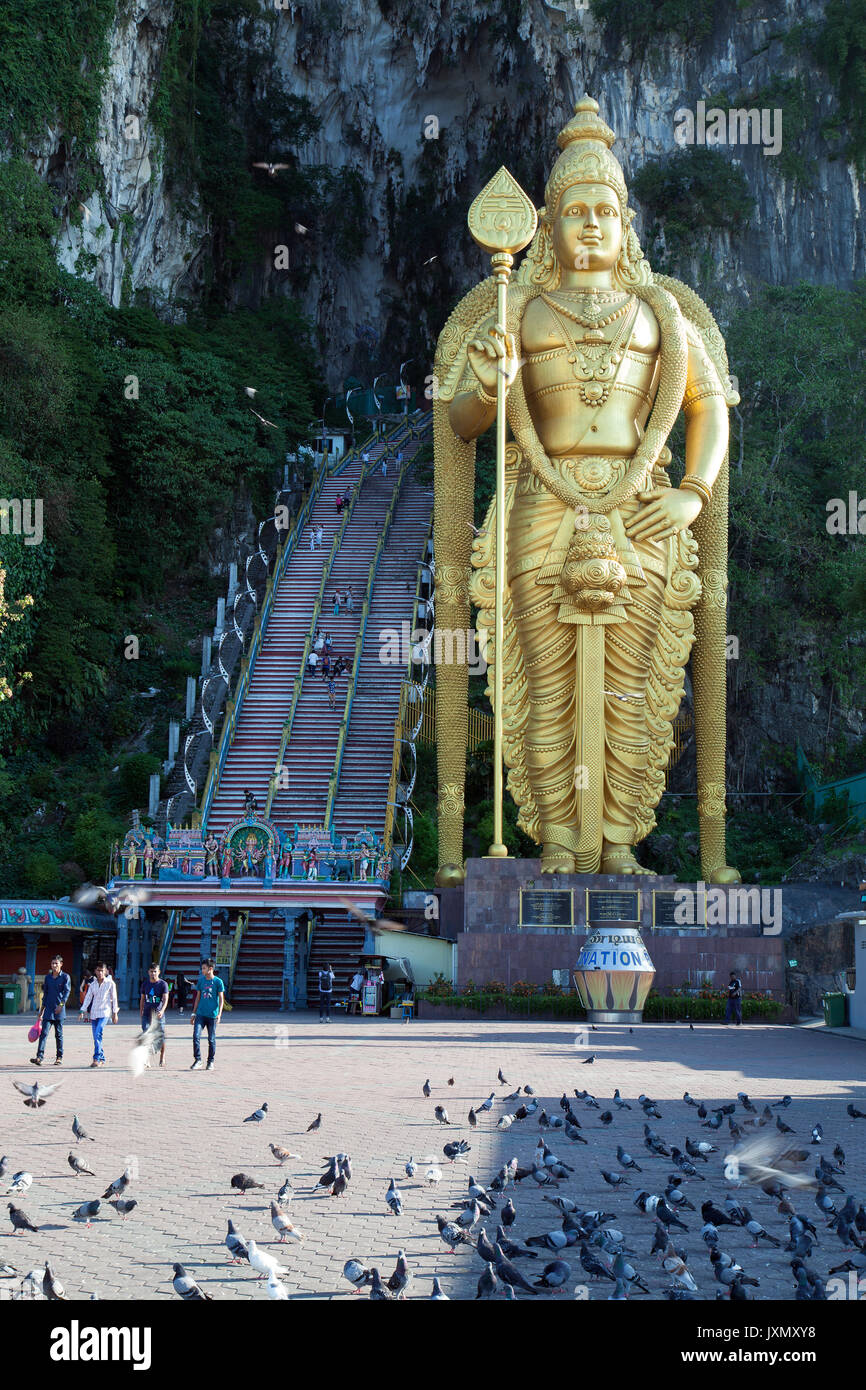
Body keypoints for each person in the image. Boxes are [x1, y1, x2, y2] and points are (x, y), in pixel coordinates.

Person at [31, 954, 70, 1067]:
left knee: (58, 1035)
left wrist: (61, 1005)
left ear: (61, 964)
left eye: (56, 963)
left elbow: (66, 993)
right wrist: (41, 1011)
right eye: (52, 963)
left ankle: (59, 1057)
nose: (54, 965)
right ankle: (39, 1057)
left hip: (59, 1012)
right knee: (43, 1034)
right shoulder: (48, 978)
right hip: (48, 1011)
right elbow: (45, 994)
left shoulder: (65, 977)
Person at [80, 963, 119, 1069]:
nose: (100, 973)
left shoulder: (110, 983)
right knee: (96, 1036)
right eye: (98, 970)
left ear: (106, 971)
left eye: (102, 970)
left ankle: (96, 1058)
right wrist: (82, 1010)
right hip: (94, 1013)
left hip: (105, 1013)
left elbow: (114, 998)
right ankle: (102, 1058)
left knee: (98, 1033)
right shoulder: (92, 985)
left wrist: (115, 1013)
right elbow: (88, 998)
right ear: (95, 971)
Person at [190, 959, 224, 1071]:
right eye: (202, 968)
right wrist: (193, 1013)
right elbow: (198, 997)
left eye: (204, 968)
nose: (202, 970)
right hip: (200, 1014)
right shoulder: (201, 981)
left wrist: (219, 1014)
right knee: (196, 1036)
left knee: (211, 1039)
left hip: (212, 1016)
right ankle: (198, 1060)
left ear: (211, 969)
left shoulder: (218, 982)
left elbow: (221, 999)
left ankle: (210, 1061)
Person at [139, 963, 169, 1068]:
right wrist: (141, 1011)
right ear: (148, 972)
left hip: (158, 1015)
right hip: (147, 1014)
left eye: (155, 971)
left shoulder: (163, 984)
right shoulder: (145, 984)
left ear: (159, 972)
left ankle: (162, 1056)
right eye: (151, 971)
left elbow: (165, 999)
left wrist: (162, 1010)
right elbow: (142, 999)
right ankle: (146, 1059)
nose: (153, 974)